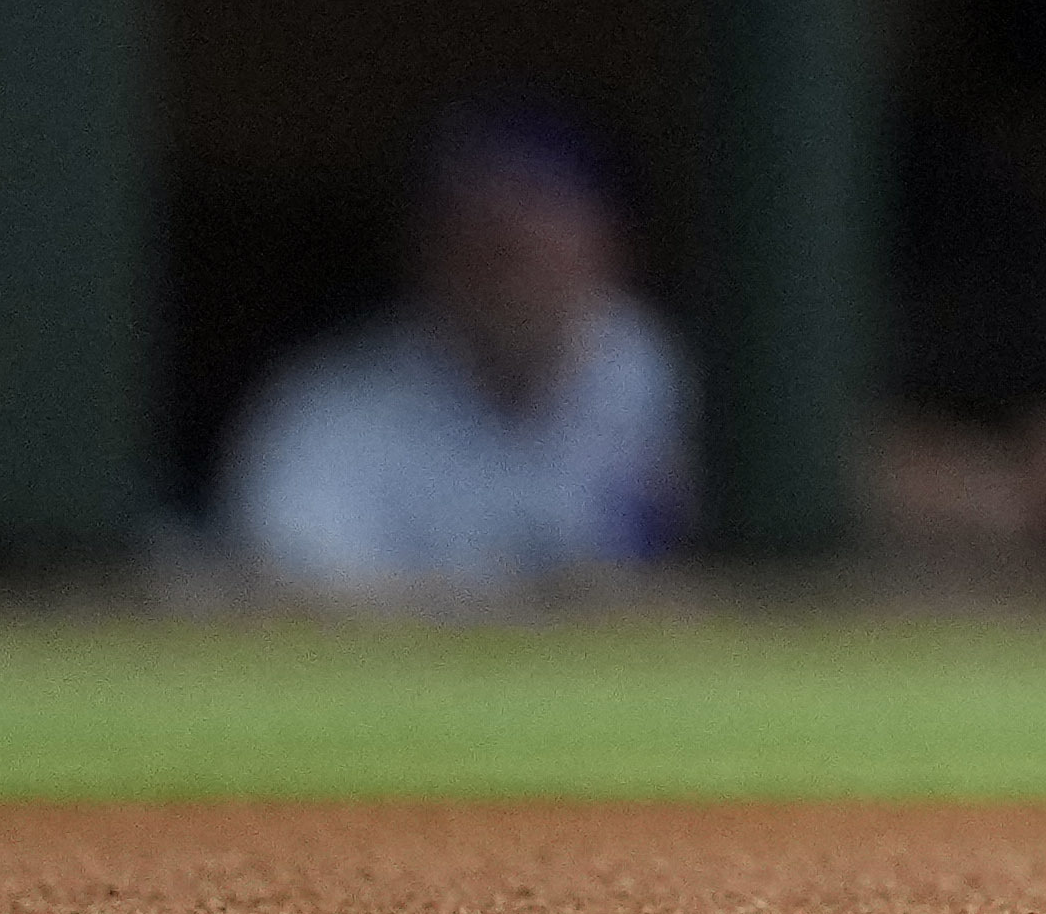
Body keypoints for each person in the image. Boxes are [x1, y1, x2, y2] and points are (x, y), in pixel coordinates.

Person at [216, 104, 692, 595]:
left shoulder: (667, 377)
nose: (508, 273)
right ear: (425, 248)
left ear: (607, 244)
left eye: (538, 235)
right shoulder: (333, 406)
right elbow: (280, 585)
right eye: (482, 237)